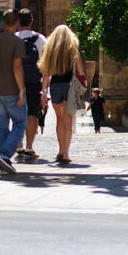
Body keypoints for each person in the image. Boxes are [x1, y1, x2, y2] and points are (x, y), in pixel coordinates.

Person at [0, 9, 27, 176]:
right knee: (20, 124)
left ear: (3, 23)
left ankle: (3, 164)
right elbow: (17, 67)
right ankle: (4, 154)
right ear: (16, 23)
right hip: (12, 90)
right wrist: (22, 89)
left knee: (2, 127)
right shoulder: (17, 42)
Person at [39, 24, 87, 166]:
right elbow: (81, 71)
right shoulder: (73, 51)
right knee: (68, 120)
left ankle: (60, 150)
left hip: (55, 87)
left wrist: (44, 92)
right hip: (70, 87)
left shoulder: (51, 51)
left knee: (59, 119)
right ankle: (66, 153)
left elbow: (46, 74)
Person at [15, 8, 47, 162]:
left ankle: (19, 145)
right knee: (32, 114)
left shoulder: (13, 38)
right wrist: (45, 88)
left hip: (16, 81)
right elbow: (45, 64)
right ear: (31, 21)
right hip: (34, 82)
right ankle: (29, 147)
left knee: (17, 113)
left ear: (18, 22)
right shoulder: (40, 39)